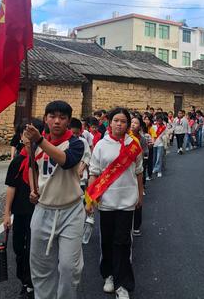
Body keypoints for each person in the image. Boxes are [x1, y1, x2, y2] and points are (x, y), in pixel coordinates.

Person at [24, 101, 86, 299]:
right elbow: (32, 167)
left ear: (68, 121)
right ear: (45, 119)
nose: (57, 121)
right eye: (52, 116)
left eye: (62, 117)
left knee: (69, 267)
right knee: (41, 266)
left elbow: (66, 161)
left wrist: (40, 140)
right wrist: (33, 190)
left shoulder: (77, 143)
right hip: (43, 210)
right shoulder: (35, 144)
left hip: (71, 211)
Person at [87, 108, 143, 299]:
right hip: (106, 201)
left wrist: (140, 196)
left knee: (123, 243)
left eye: (123, 121)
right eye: (116, 120)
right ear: (109, 122)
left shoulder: (134, 145)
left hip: (127, 201)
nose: (119, 124)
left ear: (128, 124)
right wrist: (90, 199)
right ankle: (109, 275)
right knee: (107, 241)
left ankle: (123, 284)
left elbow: (139, 172)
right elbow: (94, 173)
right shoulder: (101, 145)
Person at [4, 119, 44, 299]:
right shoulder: (17, 161)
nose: (27, 139)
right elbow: (11, 187)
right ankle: (24, 278)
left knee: (33, 250)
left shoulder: (43, 161)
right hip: (20, 212)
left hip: (38, 212)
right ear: (21, 137)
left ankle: (30, 283)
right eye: (24, 135)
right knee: (19, 248)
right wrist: (6, 214)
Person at [130, 115, 148, 236]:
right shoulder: (124, 138)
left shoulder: (141, 139)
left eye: (135, 123)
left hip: (136, 167)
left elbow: (145, 152)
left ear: (140, 126)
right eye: (131, 122)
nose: (133, 124)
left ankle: (136, 225)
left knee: (137, 197)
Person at [152, 112, 167, 177]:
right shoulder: (153, 126)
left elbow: (166, 134)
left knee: (159, 157)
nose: (159, 121)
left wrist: (164, 137)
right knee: (154, 157)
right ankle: (155, 168)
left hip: (160, 143)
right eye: (158, 119)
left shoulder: (164, 127)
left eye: (160, 119)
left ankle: (159, 170)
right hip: (154, 143)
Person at [143, 112, 155, 180]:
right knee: (144, 163)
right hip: (143, 148)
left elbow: (153, 137)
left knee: (149, 161)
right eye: (145, 119)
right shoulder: (141, 127)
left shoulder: (151, 128)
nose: (146, 121)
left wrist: (151, 143)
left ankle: (149, 175)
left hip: (149, 148)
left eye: (148, 119)